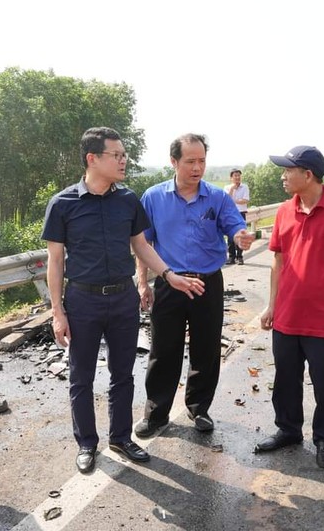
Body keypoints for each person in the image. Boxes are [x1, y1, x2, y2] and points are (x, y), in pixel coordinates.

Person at [41, 127, 205, 474]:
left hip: (123, 299)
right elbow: (55, 263)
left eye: (124, 155)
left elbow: (142, 246)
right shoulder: (63, 204)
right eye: (116, 155)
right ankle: (87, 443)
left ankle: (121, 437)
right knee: (81, 376)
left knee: (123, 375)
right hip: (82, 301)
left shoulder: (127, 200)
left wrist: (168, 275)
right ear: (92, 159)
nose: (123, 160)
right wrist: (58, 313)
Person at [134, 133, 254, 438]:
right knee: (164, 349)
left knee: (207, 347)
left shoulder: (216, 197)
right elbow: (143, 243)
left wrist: (241, 235)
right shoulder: (153, 197)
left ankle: (199, 408)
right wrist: (142, 284)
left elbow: (233, 224)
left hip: (206, 282)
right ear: (174, 162)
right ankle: (156, 413)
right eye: (190, 161)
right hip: (169, 281)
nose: (197, 167)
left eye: (202, 161)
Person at [255, 146, 324, 469]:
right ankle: (288, 430)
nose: (282, 176)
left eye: (288, 170)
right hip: (287, 316)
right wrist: (271, 306)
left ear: (308, 175)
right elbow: (278, 262)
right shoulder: (284, 212)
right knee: (286, 378)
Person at [224, 169, 250, 265]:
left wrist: (233, 201)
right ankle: (231, 257)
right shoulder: (227, 187)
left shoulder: (245, 187)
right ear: (231, 178)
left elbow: (245, 200)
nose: (237, 177)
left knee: (241, 235)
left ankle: (240, 257)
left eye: (239, 175)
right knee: (230, 236)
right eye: (235, 176)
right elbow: (226, 200)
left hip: (241, 213)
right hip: (230, 214)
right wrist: (232, 189)